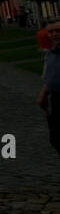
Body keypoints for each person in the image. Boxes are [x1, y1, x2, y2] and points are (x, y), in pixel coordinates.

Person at [38, 20, 60, 155]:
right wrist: (43, 94)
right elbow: (48, 77)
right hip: (55, 100)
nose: (54, 34)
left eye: (58, 31)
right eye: (51, 32)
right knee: (55, 139)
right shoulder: (51, 54)